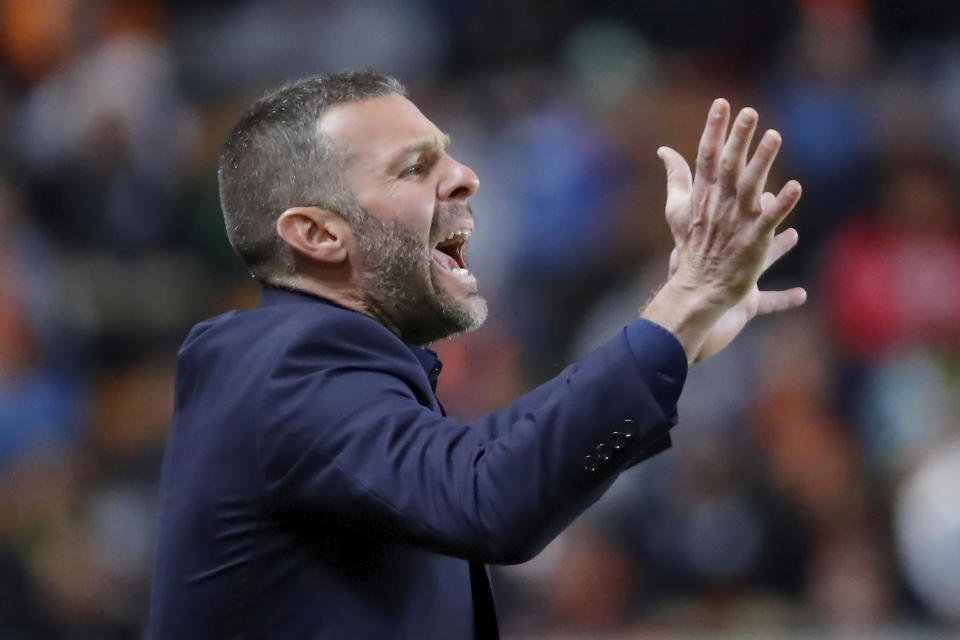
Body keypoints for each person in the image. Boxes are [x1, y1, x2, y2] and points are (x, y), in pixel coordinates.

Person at [148, 70, 805, 639]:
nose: (466, 177)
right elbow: (489, 494)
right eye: (414, 166)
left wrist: (680, 332)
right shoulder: (278, 364)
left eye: (449, 156)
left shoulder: (323, 375)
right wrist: (678, 312)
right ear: (318, 234)